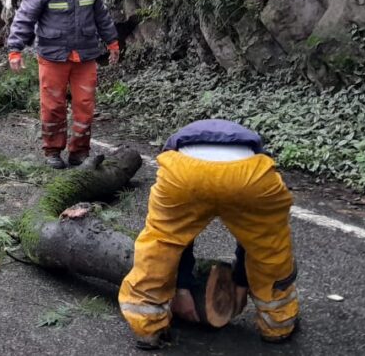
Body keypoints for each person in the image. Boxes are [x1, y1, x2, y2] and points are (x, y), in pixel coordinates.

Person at [119, 119, 299, 350]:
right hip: (248, 174)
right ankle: (278, 325)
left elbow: (181, 239)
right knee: (268, 245)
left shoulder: (177, 145)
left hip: (184, 173)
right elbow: (249, 239)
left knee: (162, 242)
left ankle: (147, 327)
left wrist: (182, 287)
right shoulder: (252, 146)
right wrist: (242, 284)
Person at [6, 0, 120, 168]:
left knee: (85, 105)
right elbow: (24, 18)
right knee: (53, 106)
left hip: (85, 55)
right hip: (52, 56)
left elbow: (102, 16)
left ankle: (79, 152)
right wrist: (15, 49)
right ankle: (52, 151)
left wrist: (113, 43)